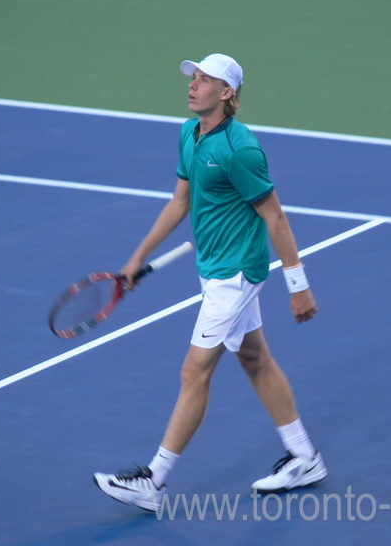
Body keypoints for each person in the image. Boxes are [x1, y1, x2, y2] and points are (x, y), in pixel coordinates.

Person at [93, 53, 326, 512]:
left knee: (194, 371)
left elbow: (274, 215)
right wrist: (137, 258)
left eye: (205, 80)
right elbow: (180, 202)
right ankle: (304, 457)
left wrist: (298, 285)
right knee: (255, 359)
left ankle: (153, 481)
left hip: (238, 273)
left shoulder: (240, 151)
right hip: (215, 269)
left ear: (227, 94)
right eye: (193, 77)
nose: (193, 84)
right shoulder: (188, 134)